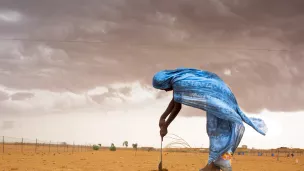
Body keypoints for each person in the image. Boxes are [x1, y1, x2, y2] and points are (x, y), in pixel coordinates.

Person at [153, 67, 268, 171]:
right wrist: (163, 119)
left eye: (162, 88)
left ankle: (221, 162)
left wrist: (165, 124)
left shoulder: (178, 83)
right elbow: (175, 101)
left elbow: (177, 106)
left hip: (216, 96)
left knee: (218, 130)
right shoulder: (179, 77)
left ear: (164, 83)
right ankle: (214, 164)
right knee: (218, 129)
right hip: (219, 91)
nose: (164, 90)